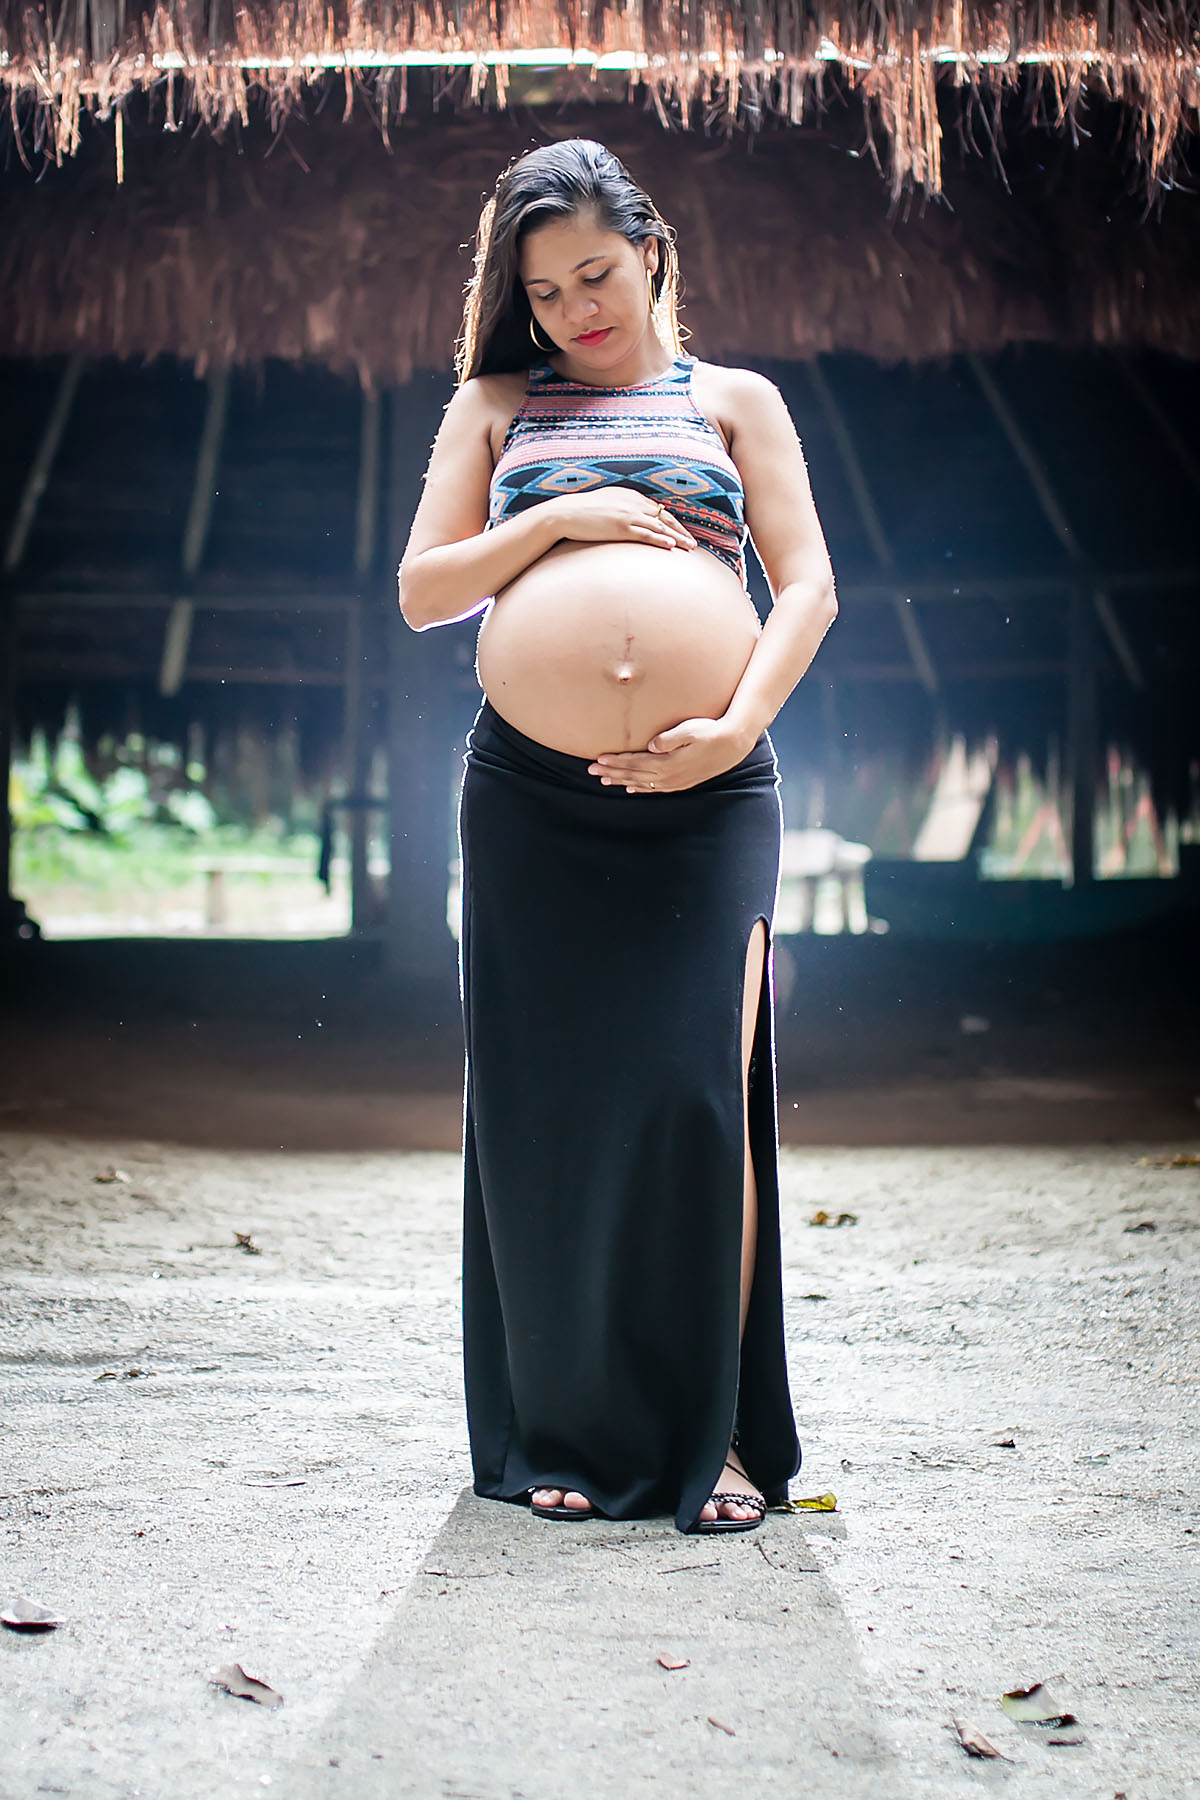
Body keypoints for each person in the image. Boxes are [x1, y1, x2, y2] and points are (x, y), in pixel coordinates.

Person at [398, 138, 836, 1535]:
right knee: (548, 1112)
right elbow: (422, 590)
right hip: (533, 803)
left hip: (711, 797)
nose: (578, 309)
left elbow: (811, 585)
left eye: (596, 273)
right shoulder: (493, 405)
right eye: (545, 291)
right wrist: (563, 519)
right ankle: (562, 1432)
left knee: (702, 1103)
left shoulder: (735, 401)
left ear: (650, 250)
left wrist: (731, 724)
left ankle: (710, 1436)